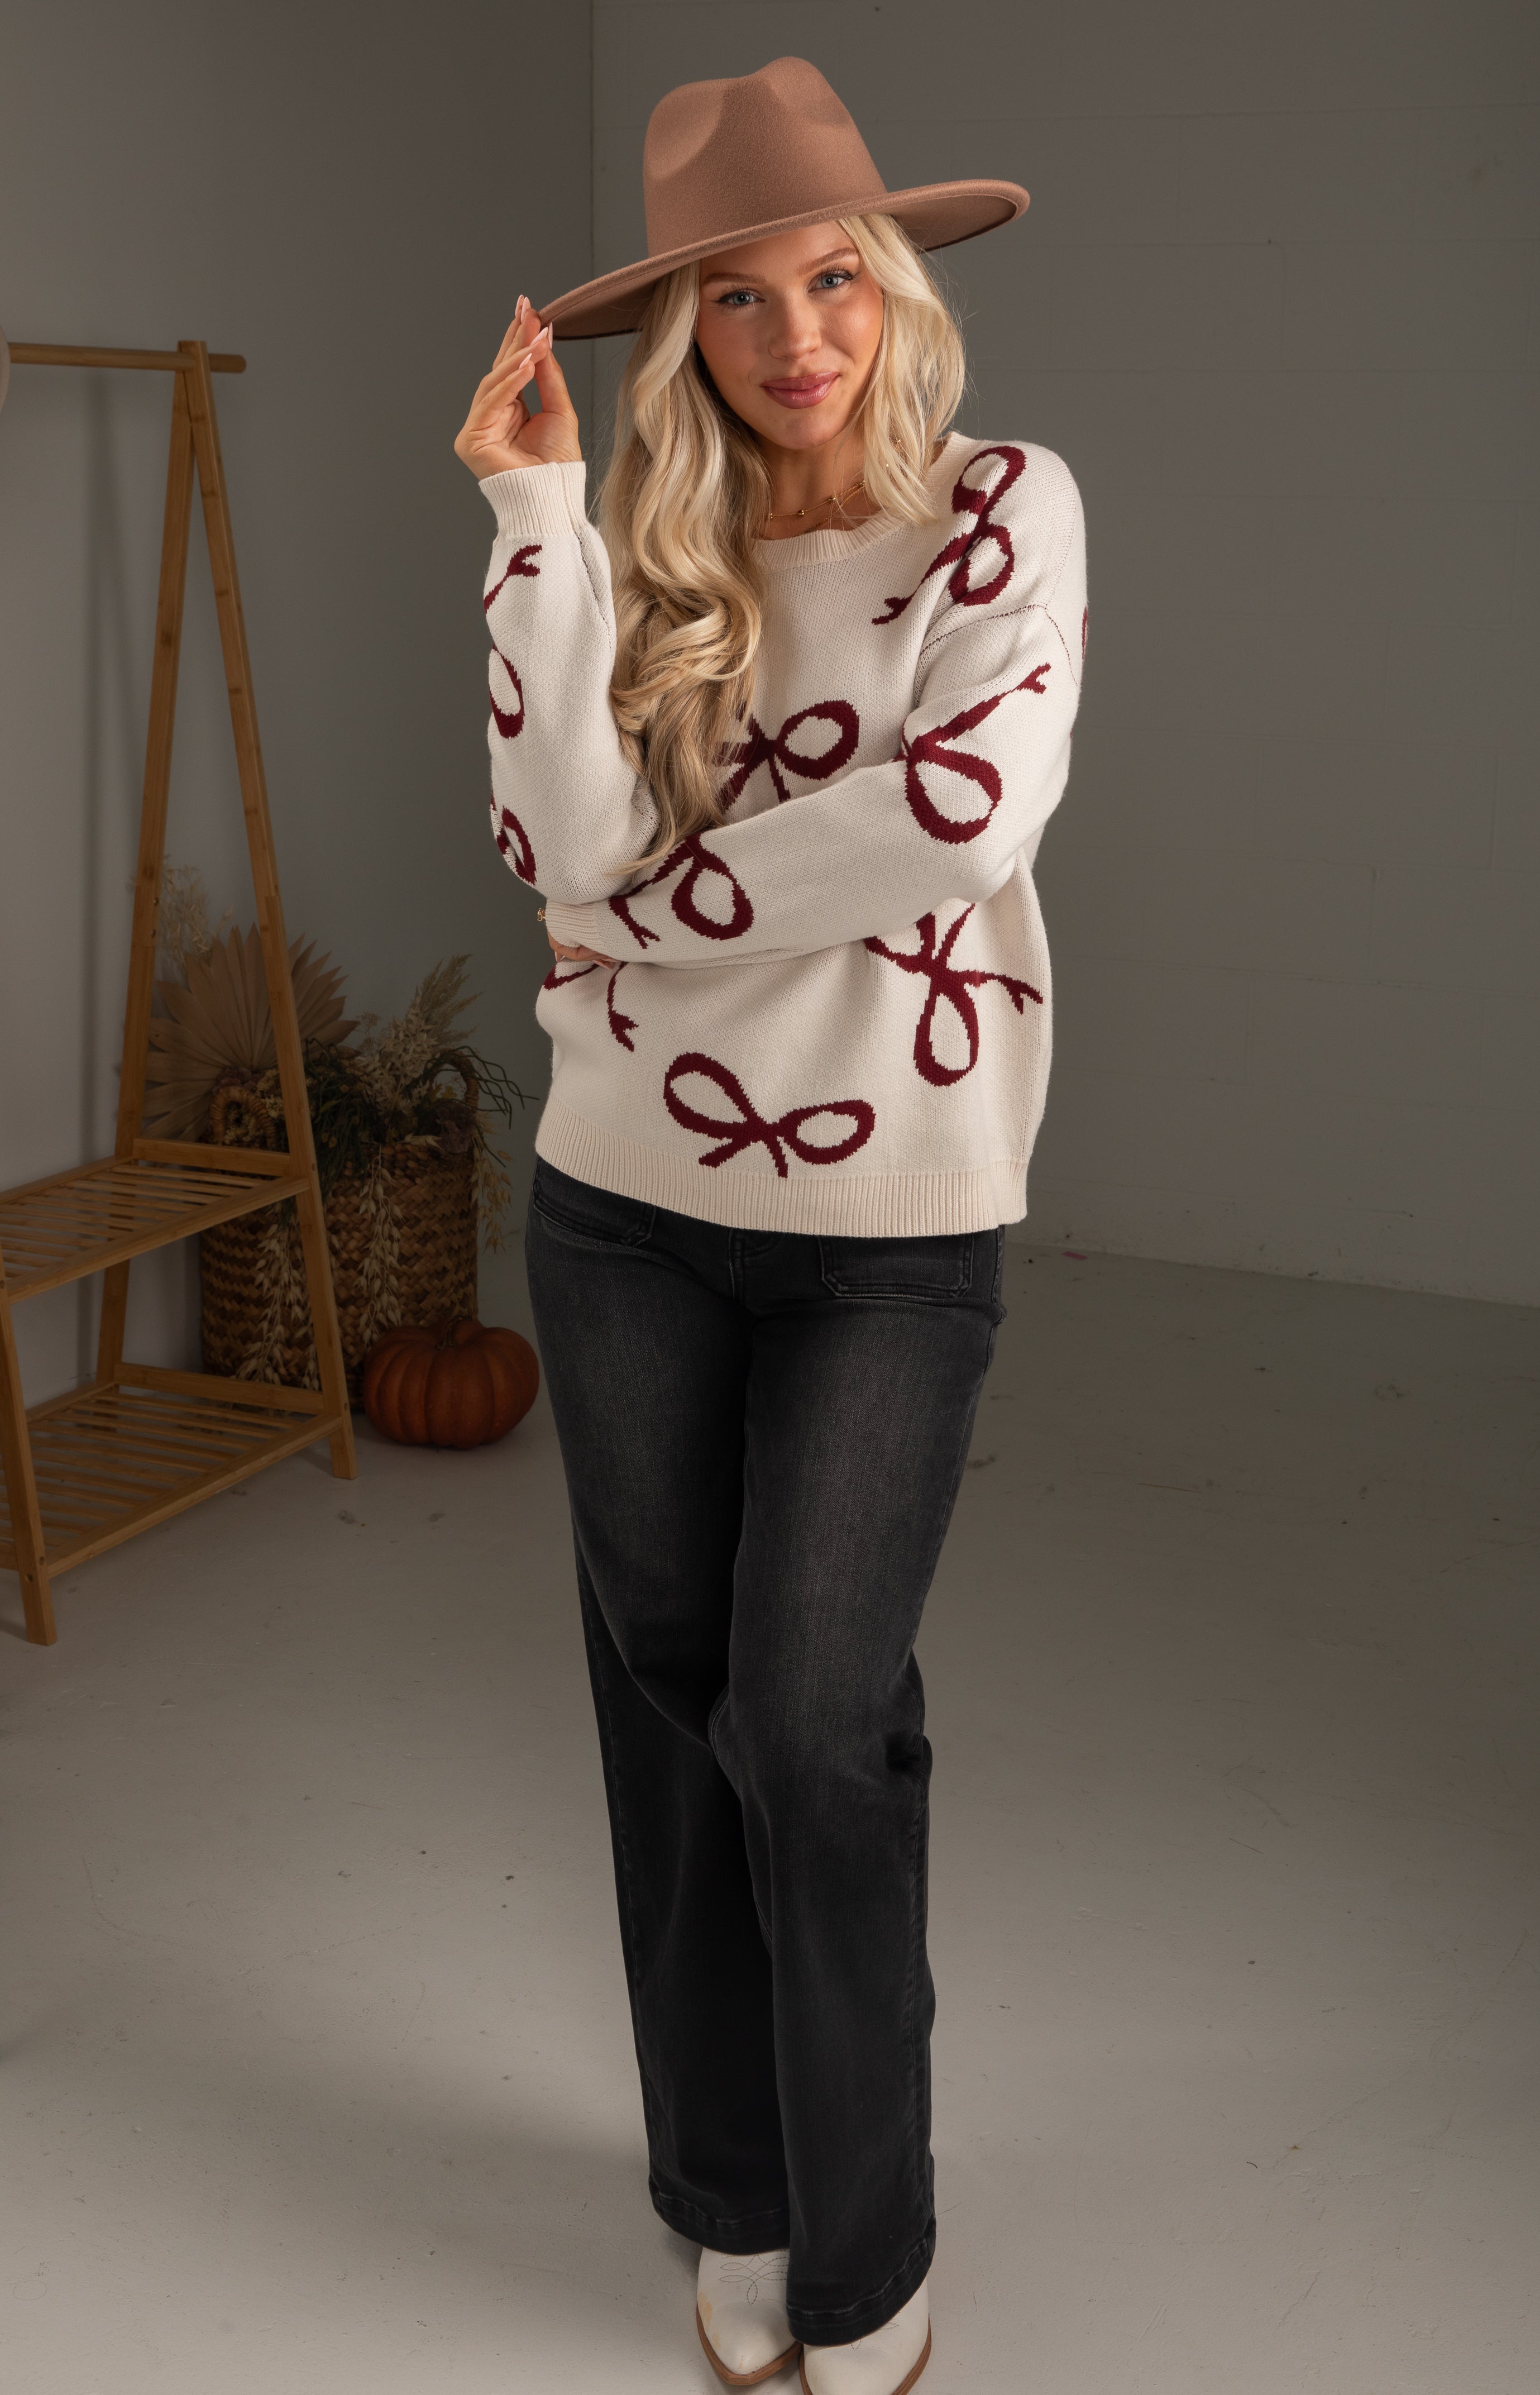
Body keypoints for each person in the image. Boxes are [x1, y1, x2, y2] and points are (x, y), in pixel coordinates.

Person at [454, 56, 1085, 2395]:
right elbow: (546, 844)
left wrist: (641, 929)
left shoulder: (1004, 516)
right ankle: (726, 2186)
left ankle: (866, 2232)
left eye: (835, 278)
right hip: (621, 1211)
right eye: (742, 297)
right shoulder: (634, 559)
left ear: (890, 290)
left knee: (814, 1723)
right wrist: (533, 516)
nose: (800, 332)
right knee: (671, 1712)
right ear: (684, 336)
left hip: (896, 1228)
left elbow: (950, 814)